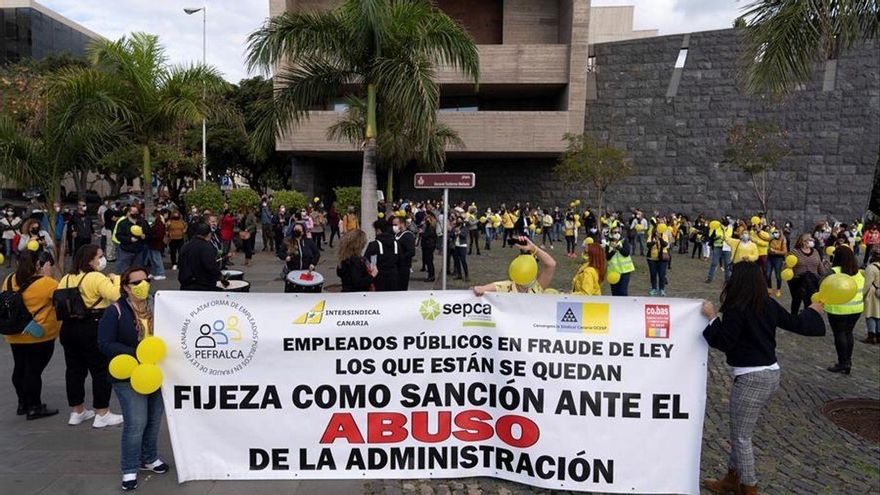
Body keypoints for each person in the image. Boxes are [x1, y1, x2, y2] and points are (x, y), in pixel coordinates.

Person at [701, 262, 825, 495]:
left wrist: (711, 318)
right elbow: (794, 323)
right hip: (771, 374)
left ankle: (750, 488)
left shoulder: (737, 307)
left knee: (741, 437)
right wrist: (812, 311)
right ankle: (731, 478)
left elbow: (724, 341)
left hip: (751, 379)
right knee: (739, 430)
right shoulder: (766, 303)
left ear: (736, 281)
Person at [97, 266, 170, 491]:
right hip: (128, 375)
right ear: (125, 287)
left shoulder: (158, 306)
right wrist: (136, 352)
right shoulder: (115, 310)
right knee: (136, 422)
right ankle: (129, 468)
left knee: (154, 418)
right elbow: (105, 343)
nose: (142, 285)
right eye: (136, 283)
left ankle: (148, 458)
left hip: (156, 372)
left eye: (145, 280)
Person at [58, 245, 125, 428]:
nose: (102, 260)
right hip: (92, 326)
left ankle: (77, 411)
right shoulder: (96, 277)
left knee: (74, 371)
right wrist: (117, 279)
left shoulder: (66, 278)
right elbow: (116, 295)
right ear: (90, 259)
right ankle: (102, 413)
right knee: (100, 370)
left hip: (68, 328)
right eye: (100, 256)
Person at [3, 250, 60, 420]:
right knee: (34, 371)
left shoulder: (9, 280)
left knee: (19, 367)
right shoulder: (47, 283)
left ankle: (23, 403)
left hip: (14, 332)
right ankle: (34, 406)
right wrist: (49, 273)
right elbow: (61, 298)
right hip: (39, 334)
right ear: (38, 264)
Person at [825, 246, 864, 375]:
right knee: (849, 333)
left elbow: (822, 284)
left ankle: (842, 362)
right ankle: (848, 361)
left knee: (840, 334)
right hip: (856, 308)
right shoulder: (858, 272)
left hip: (839, 308)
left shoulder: (834, 271)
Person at [473, 236, 556, 295]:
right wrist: (479, 290)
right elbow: (481, 289)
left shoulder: (537, 287)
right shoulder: (507, 286)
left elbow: (551, 264)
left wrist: (534, 248)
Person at [177, 223, 223, 291]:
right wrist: (220, 277)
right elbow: (211, 266)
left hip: (186, 284)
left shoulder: (185, 246)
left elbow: (180, 264)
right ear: (209, 234)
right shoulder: (206, 247)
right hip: (203, 286)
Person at [788, 234, 826, 315]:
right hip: (798, 281)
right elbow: (788, 267)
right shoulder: (795, 252)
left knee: (809, 301)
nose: (812, 241)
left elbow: (820, 267)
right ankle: (794, 318)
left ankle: (808, 317)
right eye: (810, 239)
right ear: (803, 242)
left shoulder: (815, 252)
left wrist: (825, 277)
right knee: (796, 301)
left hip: (813, 281)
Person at [364, 219, 399, 291]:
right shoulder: (396, 244)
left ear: (378, 230)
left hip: (378, 278)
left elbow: (367, 261)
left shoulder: (373, 245)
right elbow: (401, 260)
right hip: (394, 277)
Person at [113, 206, 149, 274]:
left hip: (139, 251)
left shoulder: (142, 222)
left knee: (137, 271)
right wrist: (129, 239)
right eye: (133, 212)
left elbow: (148, 233)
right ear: (129, 212)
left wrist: (145, 236)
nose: (135, 213)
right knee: (124, 271)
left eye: (137, 212)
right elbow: (118, 236)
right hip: (126, 251)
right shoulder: (123, 223)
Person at [606, 227, 635, 296]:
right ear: (611, 234)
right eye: (615, 232)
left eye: (618, 232)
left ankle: (624, 306)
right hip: (613, 271)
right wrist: (613, 249)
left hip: (625, 270)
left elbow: (626, 253)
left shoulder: (624, 241)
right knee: (615, 292)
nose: (617, 234)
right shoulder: (608, 243)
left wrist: (618, 247)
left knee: (623, 292)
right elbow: (607, 257)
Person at [646, 223, 670, 296]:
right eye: (657, 228)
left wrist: (660, 238)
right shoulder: (651, 236)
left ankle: (662, 289)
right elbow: (648, 245)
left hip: (662, 258)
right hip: (652, 259)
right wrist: (654, 241)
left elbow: (665, 244)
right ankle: (654, 288)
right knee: (653, 274)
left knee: (662, 274)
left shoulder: (664, 236)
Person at [862, 247, 880, 344]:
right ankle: (878, 335)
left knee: (870, 315)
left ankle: (871, 336)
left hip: (872, 293)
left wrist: (862, 296)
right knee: (878, 315)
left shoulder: (871, 268)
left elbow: (867, 284)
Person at [393, 216, 416, 290]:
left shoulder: (408, 235)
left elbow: (411, 252)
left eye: (396, 224)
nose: (394, 227)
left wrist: (400, 258)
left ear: (402, 224)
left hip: (403, 267)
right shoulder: (396, 235)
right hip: (396, 267)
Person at [145, 210, 167, 280]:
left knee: (156, 259)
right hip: (152, 243)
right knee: (152, 259)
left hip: (156, 244)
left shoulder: (159, 224)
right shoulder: (155, 224)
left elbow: (159, 235)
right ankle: (154, 272)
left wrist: (149, 236)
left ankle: (161, 273)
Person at [766, 229, 788, 297]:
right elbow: (765, 242)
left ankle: (778, 289)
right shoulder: (771, 239)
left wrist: (775, 251)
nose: (776, 234)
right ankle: (769, 288)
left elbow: (785, 251)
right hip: (770, 257)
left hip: (778, 258)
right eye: (774, 232)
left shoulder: (782, 240)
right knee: (767, 274)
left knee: (778, 275)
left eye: (777, 232)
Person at [421, 212, 439, 283]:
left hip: (429, 245)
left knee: (429, 261)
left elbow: (427, 235)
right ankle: (431, 275)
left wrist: (422, 233)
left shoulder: (431, 227)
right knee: (429, 261)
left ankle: (431, 276)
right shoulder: (430, 226)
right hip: (429, 245)